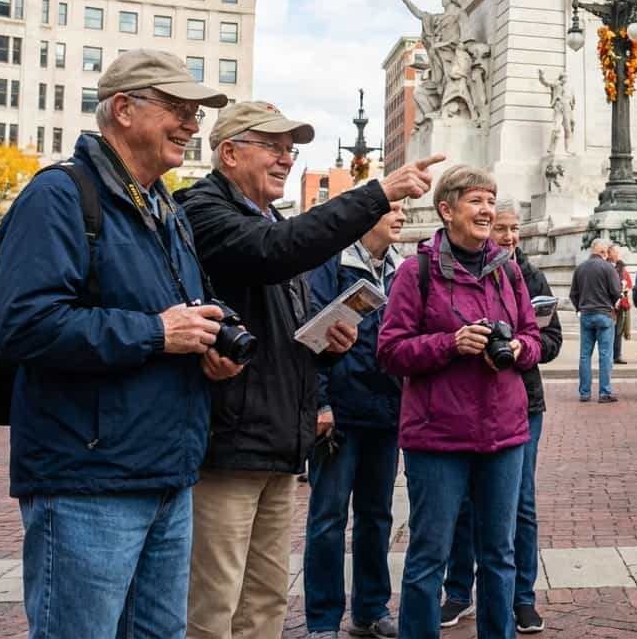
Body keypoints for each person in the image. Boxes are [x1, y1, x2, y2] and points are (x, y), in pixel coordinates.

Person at [0, 50, 239, 638]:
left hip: (166, 475)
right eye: (177, 108)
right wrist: (158, 333)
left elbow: (175, 306)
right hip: (87, 480)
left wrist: (209, 339)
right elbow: (24, 323)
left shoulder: (164, 207)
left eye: (195, 112)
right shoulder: (59, 194)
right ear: (123, 109)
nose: (191, 124)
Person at [178, 103, 443, 639]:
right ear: (228, 153)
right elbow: (275, 251)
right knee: (214, 605)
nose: (285, 159)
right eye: (272, 146)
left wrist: (325, 346)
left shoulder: (269, 220)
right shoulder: (203, 209)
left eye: (290, 150)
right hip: (228, 442)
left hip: (276, 440)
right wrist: (376, 194)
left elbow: (282, 323)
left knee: (266, 598)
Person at [377, 165, 542, 639]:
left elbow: (533, 337)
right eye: (475, 200)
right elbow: (390, 350)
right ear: (446, 210)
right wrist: (451, 344)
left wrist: (516, 350)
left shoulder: (508, 271)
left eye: (490, 200)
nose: (487, 209)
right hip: (438, 437)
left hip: (505, 433)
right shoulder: (418, 272)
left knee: (500, 553)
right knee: (429, 554)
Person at [440, 200, 563, 633]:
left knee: (521, 505)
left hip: (524, 401)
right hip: (469, 401)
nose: (509, 236)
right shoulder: (463, 272)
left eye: (514, 229)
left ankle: (522, 597)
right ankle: (458, 591)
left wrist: (521, 351)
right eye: (502, 229)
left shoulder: (530, 275)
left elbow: (551, 341)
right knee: (464, 504)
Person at [302, 200, 407, 639]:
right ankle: (323, 620)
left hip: (386, 411)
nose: (400, 217)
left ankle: (370, 608)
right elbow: (310, 333)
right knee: (327, 518)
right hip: (340, 411)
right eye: (393, 211)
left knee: (376, 515)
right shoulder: (331, 263)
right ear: (368, 217)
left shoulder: (402, 270)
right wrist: (320, 402)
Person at [570, 238, 622, 402]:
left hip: (586, 314)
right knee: (605, 355)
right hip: (604, 314)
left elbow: (573, 294)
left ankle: (585, 393)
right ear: (603, 252)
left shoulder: (580, 268)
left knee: (585, 355)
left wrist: (580, 307)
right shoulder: (608, 268)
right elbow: (616, 291)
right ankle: (604, 392)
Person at [612, 255, 633, 365]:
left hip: (619, 305)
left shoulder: (622, 272)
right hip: (614, 305)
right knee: (615, 330)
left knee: (617, 331)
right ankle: (615, 354)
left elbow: (628, 286)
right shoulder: (610, 270)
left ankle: (616, 354)